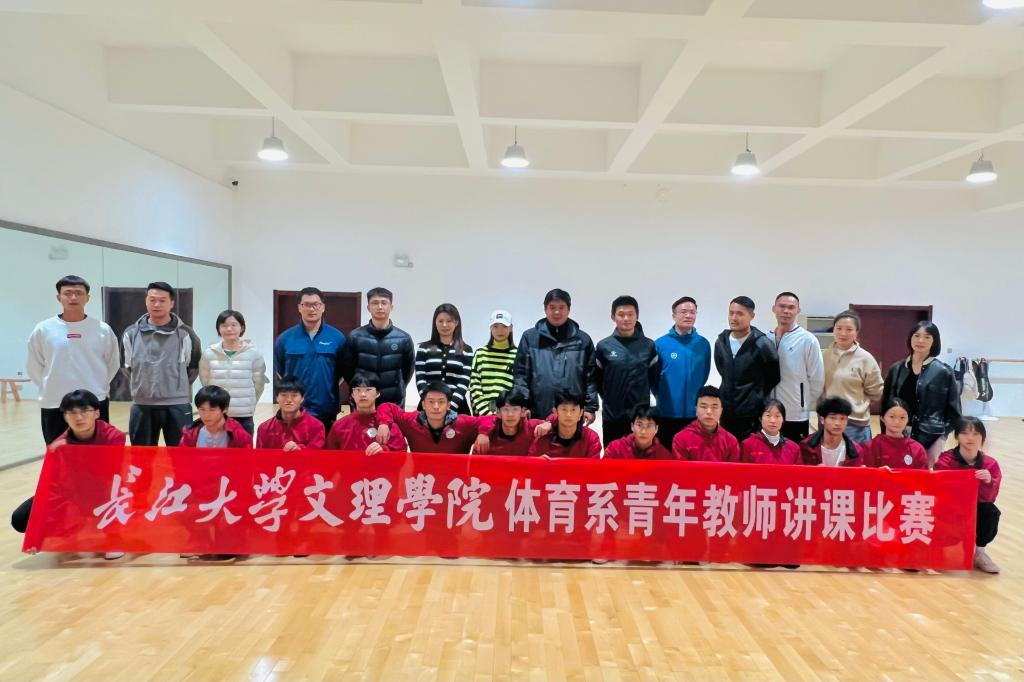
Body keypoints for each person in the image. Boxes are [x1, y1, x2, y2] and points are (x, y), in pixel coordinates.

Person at [11, 390, 126, 557]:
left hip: (106, 491)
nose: (78, 417)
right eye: (71, 412)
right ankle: (69, 528)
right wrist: (36, 535)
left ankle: (113, 536)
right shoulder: (58, 445)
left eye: (84, 411)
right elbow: (52, 485)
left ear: (96, 413)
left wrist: (74, 454)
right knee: (21, 518)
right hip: (73, 493)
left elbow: (111, 474)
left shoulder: (114, 437)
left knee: (113, 495)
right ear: (65, 417)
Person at [26, 275, 121, 445]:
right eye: (68, 293)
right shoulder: (43, 329)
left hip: (94, 402)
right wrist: (51, 385)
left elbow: (113, 363)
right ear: (59, 297)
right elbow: (34, 365)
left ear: (87, 297)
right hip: (54, 402)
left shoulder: (102, 329)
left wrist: (97, 386)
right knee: (58, 454)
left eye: (78, 293)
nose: (73, 297)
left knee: (98, 455)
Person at [122, 281, 202, 446]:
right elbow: (127, 367)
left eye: (162, 300)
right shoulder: (131, 333)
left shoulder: (186, 333)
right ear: (146, 301)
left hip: (177, 404)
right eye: (152, 300)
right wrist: (144, 385)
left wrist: (175, 386)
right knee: (142, 456)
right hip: (142, 403)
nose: (156, 304)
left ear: (172, 303)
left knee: (181, 455)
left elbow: (193, 367)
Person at [513, 288, 599, 424]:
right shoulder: (530, 338)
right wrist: (523, 405)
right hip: (537, 413)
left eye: (561, 307)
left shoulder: (583, 340)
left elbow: (591, 378)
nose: (557, 312)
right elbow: (521, 375)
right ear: (545, 309)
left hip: (572, 414)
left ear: (568, 309)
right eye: (552, 307)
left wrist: (590, 407)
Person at [881, 321, 961, 467]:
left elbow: (955, 412)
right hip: (898, 431)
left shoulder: (944, 372)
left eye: (927, 337)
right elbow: (886, 404)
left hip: (931, 436)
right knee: (896, 473)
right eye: (916, 336)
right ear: (910, 338)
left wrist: (942, 436)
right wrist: (885, 433)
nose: (920, 340)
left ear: (934, 342)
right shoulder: (896, 369)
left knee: (925, 476)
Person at [273, 287, 346, 433]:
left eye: (316, 304)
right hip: (294, 410)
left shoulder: (337, 338)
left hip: (325, 409)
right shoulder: (285, 339)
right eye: (306, 304)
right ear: (299, 307)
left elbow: (343, 372)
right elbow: (281, 372)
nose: (312, 309)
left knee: (325, 447)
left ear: (323, 307)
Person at [935, 417, 1002, 574]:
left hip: (975, 507)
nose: (970, 438)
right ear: (957, 436)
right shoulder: (945, 461)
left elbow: (990, 497)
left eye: (975, 434)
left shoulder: (990, 464)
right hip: (951, 507)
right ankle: (939, 549)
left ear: (983, 438)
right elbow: (938, 489)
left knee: (991, 512)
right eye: (965, 433)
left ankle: (979, 552)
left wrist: (988, 481)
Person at [595, 295, 660, 446]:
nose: (626, 318)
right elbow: (597, 380)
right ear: (613, 317)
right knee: (613, 456)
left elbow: (654, 378)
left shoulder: (648, 346)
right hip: (613, 416)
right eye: (621, 314)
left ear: (637, 316)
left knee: (640, 457)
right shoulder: (604, 346)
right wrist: (611, 398)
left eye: (630, 314)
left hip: (640, 418)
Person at [713, 296, 780, 442]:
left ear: (752, 316)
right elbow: (722, 369)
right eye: (731, 313)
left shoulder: (762, 344)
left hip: (752, 413)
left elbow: (773, 376)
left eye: (740, 314)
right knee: (728, 449)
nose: (734, 318)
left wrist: (755, 395)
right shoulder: (721, 342)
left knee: (750, 451)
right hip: (726, 410)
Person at [342, 287, 415, 407]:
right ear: (368, 307)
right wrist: (361, 389)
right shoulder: (355, 336)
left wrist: (398, 387)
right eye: (375, 303)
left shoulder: (404, 338)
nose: (380, 307)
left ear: (391, 307)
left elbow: (408, 371)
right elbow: (347, 371)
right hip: (363, 403)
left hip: (393, 403)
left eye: (384, 303)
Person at [654, 296, 711, 449]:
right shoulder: (660, 344)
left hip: (694, 414)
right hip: (666, 413)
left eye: (692, 312)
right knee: (666, 456)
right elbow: (652, 378)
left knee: (692, 456)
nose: (688, 316)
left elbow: (704, 375)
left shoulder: (703, 344)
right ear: (674, 315)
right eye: (683, 312)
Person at [199, 309, 268, 435]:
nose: (229, 329)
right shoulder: (209, 353)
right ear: (218, 329)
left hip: (243, 414)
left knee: (243, 447)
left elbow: (259, 384)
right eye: (224, 325)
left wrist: (249, 403)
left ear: (242, 328)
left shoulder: (253, 353)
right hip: (216, 414)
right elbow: (205, 382)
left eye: (233, 325)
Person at [375, 381, 493, 454]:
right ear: (423, 405)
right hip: (422, 481)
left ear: (448, 405)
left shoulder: (462, 422)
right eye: (431, 401)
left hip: (455, 481)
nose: (436, 407)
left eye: (441, 402)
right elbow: (387, 407)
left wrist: (484, 433)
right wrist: (384, 423)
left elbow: (490, 418)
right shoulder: (411, 420)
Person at [822, 310, 884, 445]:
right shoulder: (824, 356)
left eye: (849, 329)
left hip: (855, 424)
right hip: (829, 421)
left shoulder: (865, 358)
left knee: (856, 458)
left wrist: (858, 405)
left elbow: (876, 392)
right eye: (839, 328)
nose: (843, 333)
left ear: (856, 333)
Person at [769, 292, 824, 442]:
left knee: (794, 453)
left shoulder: (808, 340)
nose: (786, 311)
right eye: (782, 306)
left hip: (795, 414)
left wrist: (802, 404)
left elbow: (817, 379)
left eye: (791, 307)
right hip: (770, 414)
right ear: (774, 309)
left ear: (798, 310)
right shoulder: (766, 338)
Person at [415, 304, 473, 414]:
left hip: (458, 408)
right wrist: (429, 403)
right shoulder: (424, 348)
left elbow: (464, 381)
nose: (444, 325)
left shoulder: (466, 350)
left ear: (456, 322)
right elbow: (420, 378)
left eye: (449, 321)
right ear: (435, 323)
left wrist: (451, 406)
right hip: (428, 408)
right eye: (440, 321)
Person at [326, 373, 405, 454]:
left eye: (368, 390)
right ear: (352, 394)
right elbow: (329, 457)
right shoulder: (339, 426)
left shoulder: (389, 427)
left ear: (377, 393)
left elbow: (402, 456)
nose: (362, 394)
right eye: (358, 390)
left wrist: (384, 452)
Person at [671, 385, 741, 462]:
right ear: (696, 410)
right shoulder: (681, 439)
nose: (709, 412)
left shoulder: (731, 441)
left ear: (721, 411)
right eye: (704, 407)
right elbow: (680, 468)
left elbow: (733, 469)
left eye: (714, 407)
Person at [256, 376, 326, 450]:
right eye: (283, 395)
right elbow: (259, 456)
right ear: (276, 398)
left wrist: (300, 450)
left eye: (294, 395)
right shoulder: (264, 428)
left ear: (302, 398)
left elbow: (318, 455)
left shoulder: (316, 427)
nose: (289, 400)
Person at [468, 310, 517, 416]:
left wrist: (506, 412)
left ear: (511, 328)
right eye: (495, 326)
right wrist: (486, 413)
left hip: (508, 415)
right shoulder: (480, 353)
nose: (500, 330)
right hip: (482, 415)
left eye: (504, 326)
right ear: (490, 328)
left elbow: (518, 388)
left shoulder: (517, 354)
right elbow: (474, 386)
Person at [527, 391, 602, 458]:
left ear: (581, 413)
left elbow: (593, 467)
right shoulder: (542, 438)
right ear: (555, 412)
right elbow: (530, 465)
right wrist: (538, 462)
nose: (568, 414)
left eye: (573, 410)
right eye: (564, 409)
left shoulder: (591, 438)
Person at [179, 385, 253, 448]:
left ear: (225, 409)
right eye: (202, 409)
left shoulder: (239, 434)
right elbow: (182, 458)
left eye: (212, 410)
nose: (206, 415)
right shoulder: (190, 433)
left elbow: (247, 458)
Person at [863, 399, 928, 469]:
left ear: (908, 420)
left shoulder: (917, 449)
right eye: (892, 416)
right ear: (882, 418)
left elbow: (923, 474)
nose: (897, 421)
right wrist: (878, 472)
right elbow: (865, 473)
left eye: (902, 417)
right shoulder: (871, 446)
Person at [479, 390, 548, 456]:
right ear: (498, 413)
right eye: (505, 409)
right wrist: (483, 433)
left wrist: (550, 423)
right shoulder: (489, 427)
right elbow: (477, 420)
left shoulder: (534, 427)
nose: (510, 414)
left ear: (523, 412)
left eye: (515, 409)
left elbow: (554, 419)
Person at [799, 396, 863, 466]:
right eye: (832, 418)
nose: (838, 423)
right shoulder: (807, 446)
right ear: (822, 420)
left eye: (842, 418)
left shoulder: (856, 450)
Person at [741, 399, 801, 465]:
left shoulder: (794, 448)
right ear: (760, 418)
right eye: (768, 415)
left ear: (783, 420)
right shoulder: (748, 445)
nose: (773, 421)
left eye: (777, 416)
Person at [603, 406, 673, 460]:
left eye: (649, 426)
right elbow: (604, 471)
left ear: (656, 429)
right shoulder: (615, 449)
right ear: (632, 426)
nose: (643, 431)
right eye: (639, 425)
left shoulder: (665, 456)